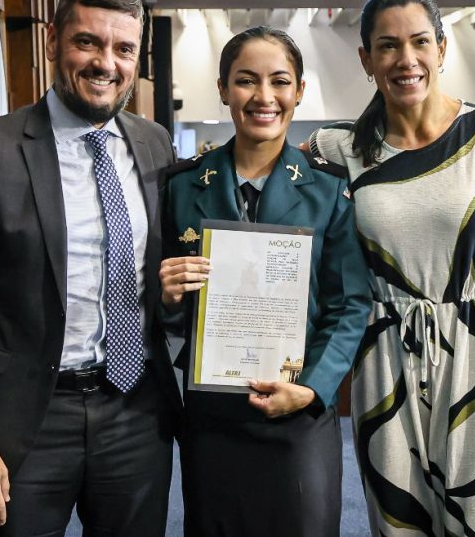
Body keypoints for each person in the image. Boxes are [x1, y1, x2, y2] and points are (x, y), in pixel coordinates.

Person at [0, 0, 180, 535]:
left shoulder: (155, 143)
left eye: (123, 49)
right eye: (87, 42)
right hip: (23, 422)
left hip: (135, 411)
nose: (105, 63)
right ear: (52, 41)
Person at [307, 0, 475, 535]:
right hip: (383, 361)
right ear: (366, 59)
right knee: (399, 521)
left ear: (441, 48)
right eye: (388, 45)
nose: (406, 59)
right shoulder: (336, 150)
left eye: (420, 41)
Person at [159, 26, 371, 537]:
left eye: (279, 81)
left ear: (299, 90)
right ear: (223, 89)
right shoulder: (182, 187)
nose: (263, 97)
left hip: (297, 412)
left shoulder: (329, 191)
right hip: (213, 416)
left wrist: (314, 390)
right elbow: (164, 312)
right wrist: (166, 297)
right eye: (246, 81)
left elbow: (350, 306)